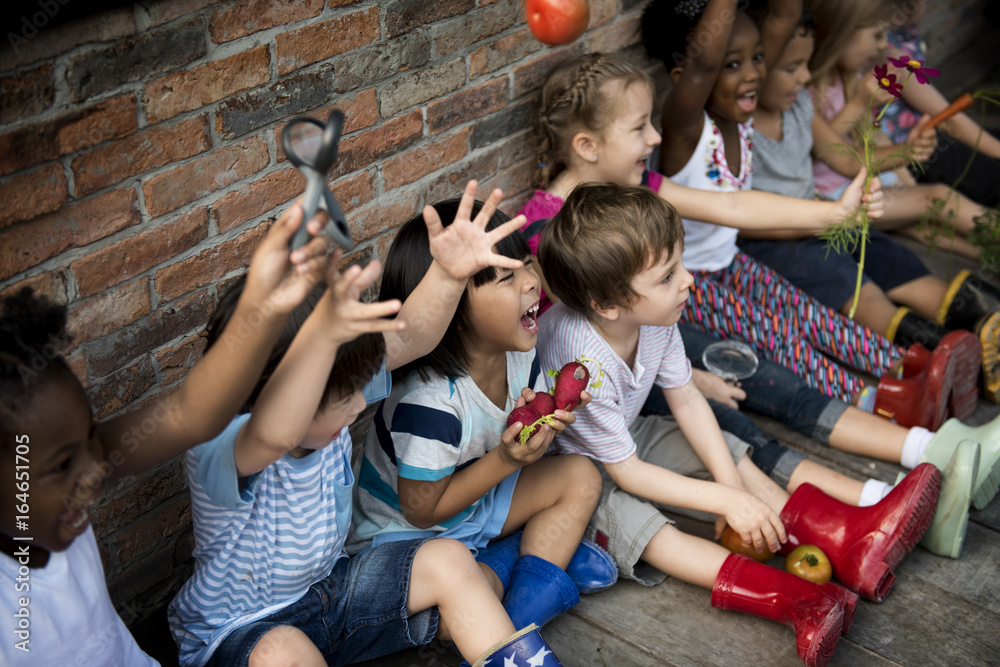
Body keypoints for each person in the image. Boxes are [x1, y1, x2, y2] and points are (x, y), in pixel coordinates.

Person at [519, 49, 995, 556]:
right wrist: (685, 379)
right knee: (746, 422)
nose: (655, 139)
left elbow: (729, 206)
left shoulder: (628, 194)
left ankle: (914, 464)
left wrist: (834, 212)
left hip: (648, 344)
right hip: (606, 390)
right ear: (587, 145)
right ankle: (867, 509)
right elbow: (560, 345)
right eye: (640, 128)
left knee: (755, 399)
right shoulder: (545, 232)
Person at [536, 183, 942, 667]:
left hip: (625, 436)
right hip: (570, 476)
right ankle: (798, 601)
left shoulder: (656, 319)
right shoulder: (583, 363)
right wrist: (728, 501)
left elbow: (686, 399)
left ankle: (847, 541)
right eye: (668, 276)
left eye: (681, 263)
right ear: (608, 304)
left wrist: (732, 488)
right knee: (650, 533)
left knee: (730, 450)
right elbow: (626, 475)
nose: (688, 280)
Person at [167, 182, 572, 667]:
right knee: (282, 652)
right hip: (244, 633)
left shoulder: (335, 395)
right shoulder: (222, 449)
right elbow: (276, 431)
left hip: (336, 595)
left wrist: (447, 273)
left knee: (448, 560)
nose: (362, 401)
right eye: (343, 397)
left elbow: (414, 337)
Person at [0, 202, 334, 666]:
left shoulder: (46, 500)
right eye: (60, 465)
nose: (96, 468)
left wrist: (264, 302)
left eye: (91, 440)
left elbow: (189, 412)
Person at [349, 195, 613, 639]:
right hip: (410, 543)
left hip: (475, 507)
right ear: (452, 309)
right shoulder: (431, 404)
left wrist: (547, 410)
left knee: (582, 476)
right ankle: (525, 569)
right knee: (471, 599)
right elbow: (421, 512)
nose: (532, 282)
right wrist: (509, 462)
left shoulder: (517, 356)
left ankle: (522, 600)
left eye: (528, 265)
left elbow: (503, 436)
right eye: (508, 278)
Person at [740, 4, 1000, 409]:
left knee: (903, 268)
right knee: (866, 295)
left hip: (831, 216)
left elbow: (844, 160)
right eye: (792, 67)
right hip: (784, 241)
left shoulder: (800, 106)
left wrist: (905, 151)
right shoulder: (740, 127)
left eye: (806, 66)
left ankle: (990, 326)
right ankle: (938, 367)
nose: (806, 77)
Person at [805, 0, 991, 260]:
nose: (882, 45)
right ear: (843, 35)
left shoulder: (848, 79)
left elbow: (875, 138)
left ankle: (988, 253)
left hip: (869, 183)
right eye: (876, 35)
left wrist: (907, 183)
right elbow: (823, 150)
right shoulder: (806, 93)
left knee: (920, 224)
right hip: (835, 196)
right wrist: (858, 103)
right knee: (939, 197)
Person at [882, 3, 1000, 206]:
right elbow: (949, 120)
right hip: (915, 154)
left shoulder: (901, 34)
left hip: (926, 136)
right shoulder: (888, 54)